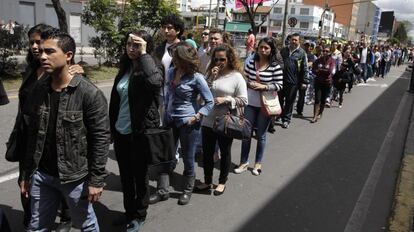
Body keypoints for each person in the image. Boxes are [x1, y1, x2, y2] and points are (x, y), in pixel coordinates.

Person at [20, 29, 110, 231]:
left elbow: (101, 138)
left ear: (68, 56)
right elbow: (32, 134)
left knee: (86, 225)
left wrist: (96, 180)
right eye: (41, 51)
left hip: (74, 178)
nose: (42, 55)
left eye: (50, 51)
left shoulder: (89, 93)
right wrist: (26, 174)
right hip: (41, 175)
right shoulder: (40, 89)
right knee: (36, 227)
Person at [5, 23, 83, 231]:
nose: (35, 46)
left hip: (51, 135)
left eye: (39, 42)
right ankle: (31, 218)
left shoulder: (62, 70)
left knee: (58, 177)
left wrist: (77, 70)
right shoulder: (31, 69)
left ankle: (66, 216)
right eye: (32, 42)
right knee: (26, 181)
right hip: (27, 135)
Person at [109, 30, 163, 231]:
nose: (132, 49)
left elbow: (156, 82)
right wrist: (111, 128)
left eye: (137, 45)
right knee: (125, 176)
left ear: (146, 47)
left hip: (139, 133)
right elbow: (116, 101)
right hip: (121, 132)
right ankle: (128, 212)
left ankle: (139, 215)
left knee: (140, 177)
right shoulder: (124, 68)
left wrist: (145, 55)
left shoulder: (152, 67)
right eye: (129, 44)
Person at [163, 42, 213, 205]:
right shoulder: (171, 72)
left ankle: (186, 190)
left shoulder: (197, 78)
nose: (173, 59)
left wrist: (197, 116)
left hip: (188, 123)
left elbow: (209, 102)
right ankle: (162, 190)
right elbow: (167, 95)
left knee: (188, 158)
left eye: (176, 56)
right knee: (167, 156)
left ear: (183, 58)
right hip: (170, 120)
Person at [195, 44, 247, 195]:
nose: (219, 62)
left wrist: (226, 99)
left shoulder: (236, 77)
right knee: (207, 152)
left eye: (222, 59)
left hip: (226, 121)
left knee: (225, 152)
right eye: (216, 59)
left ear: (229, 59)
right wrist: (210, 77)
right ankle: (207, 180)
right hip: (208, 119)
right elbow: (200, 96)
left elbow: (244, 100)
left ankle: (222, 182)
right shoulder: (210, 73)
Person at [234, 37, 283, 175]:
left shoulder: (275, 66)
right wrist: (249, 84)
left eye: (266, 48)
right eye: (261, 47)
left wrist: (264, 86)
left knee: (261, 135)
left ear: (271, 50)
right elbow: (244, 79)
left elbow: (279, 85)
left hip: (265, 105)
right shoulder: (251, 62)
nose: (263, 50)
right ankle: (243, 162)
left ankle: (258, 164)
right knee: (246, 134)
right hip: (250, 103)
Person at [278, 33, 309, 128]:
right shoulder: (284, 50)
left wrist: (304, 81)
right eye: (292, 39)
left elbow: (305, 68)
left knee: (289, 101)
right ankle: (279, 115)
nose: (293, 41)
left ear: (299, 41)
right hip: (281, 80)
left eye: (296, 40)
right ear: (290, 40)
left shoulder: (302, 53)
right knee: (279, 99)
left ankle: (286, 119)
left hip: (293, 82)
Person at [311, 46, 336, 123]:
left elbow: (330, 71)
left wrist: (320, 70)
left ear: (329, 53)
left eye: (327, 51)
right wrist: (322, 70)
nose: (325, 52)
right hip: (318, 82)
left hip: (327, 83)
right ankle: (315, 116)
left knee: (323, 100)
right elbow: (314, 70)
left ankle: (320, 113)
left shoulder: (332, 61)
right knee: (317, 99)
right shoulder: (318, 60)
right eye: (324, 51)